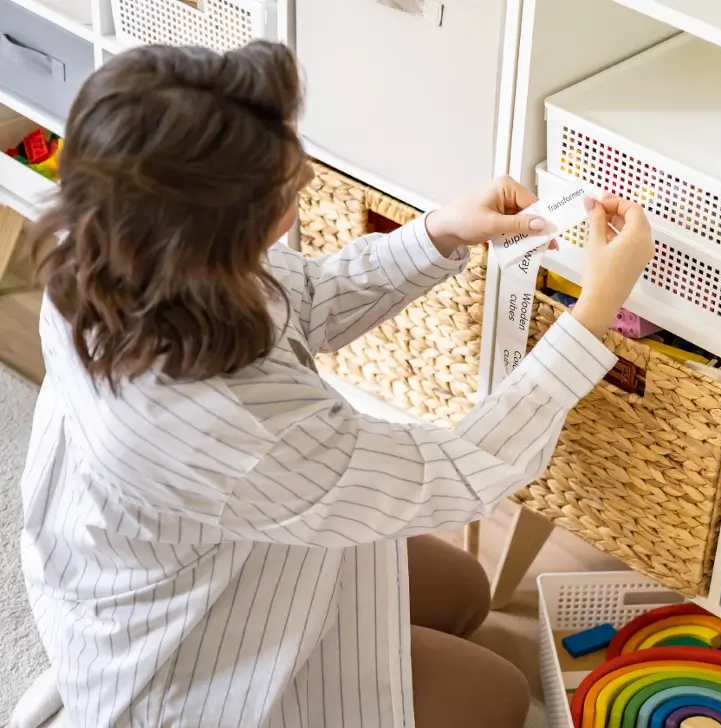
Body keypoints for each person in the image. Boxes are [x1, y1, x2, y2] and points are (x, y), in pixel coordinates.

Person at [16, 41, 654, 728]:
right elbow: (459, 473)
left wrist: (441, 232)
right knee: (499, 695)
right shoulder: (236, 425)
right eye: (283, 182)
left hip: (185, 550)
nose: (307, 174)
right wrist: (594, 312)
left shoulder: (114, 250)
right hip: (197, 672)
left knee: (464, 592)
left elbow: (309, 298)